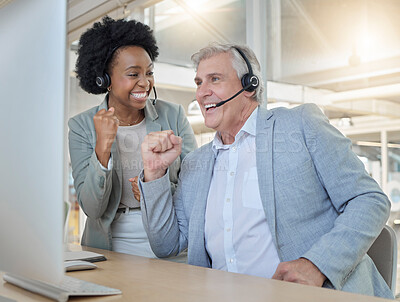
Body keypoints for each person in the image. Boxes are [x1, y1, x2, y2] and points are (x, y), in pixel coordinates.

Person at [138, 43, 393, 298]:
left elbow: (369, 200)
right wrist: (154, 172)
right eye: (198, 82)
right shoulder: (195, 163)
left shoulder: (299, 125)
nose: (202, 92)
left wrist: (317, 265)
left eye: (214, 79)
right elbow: (166, 245)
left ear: (249, 85)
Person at [68, 16, 197, 259]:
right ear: (104, 79)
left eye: (149, 72)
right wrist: (102, 147)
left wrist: (154, 189)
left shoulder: (173, 115)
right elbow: (92, 208)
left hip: (171, 232)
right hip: (110, 242)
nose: (145, 83)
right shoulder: (81, 127)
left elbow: (195, 187)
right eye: (133, 74)